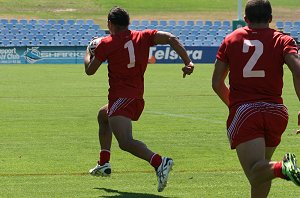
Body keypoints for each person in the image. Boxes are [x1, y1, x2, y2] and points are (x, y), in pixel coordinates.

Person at [84, 6, 194, 192]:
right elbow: (171, 38)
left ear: (110, 24)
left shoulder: (106, 43)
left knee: (126, 142)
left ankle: (160, 162)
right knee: (103, 116)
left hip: (122, 97)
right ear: (128, 23)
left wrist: (89, 51)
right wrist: (188, 62)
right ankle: (104, 163)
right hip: (135, 96)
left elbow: (90, 70)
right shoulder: (143, 36)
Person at [212, 0, 300, 197]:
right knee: (262, 171)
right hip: (276, 112)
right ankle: (278, 168)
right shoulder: (283, 39)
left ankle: (283, 168)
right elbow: (298, 71)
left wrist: (233, 105)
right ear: (270, 18)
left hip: (246, 111)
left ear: (245, 19)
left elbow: (217, 82)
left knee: (255, 172)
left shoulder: (231, 39)